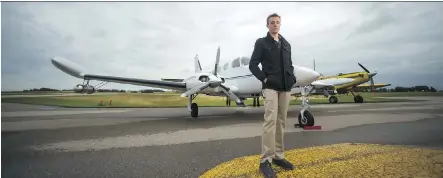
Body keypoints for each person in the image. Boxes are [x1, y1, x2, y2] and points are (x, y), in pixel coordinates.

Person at [249, 13, 297, 178]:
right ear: (267, 25)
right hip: (270, 87)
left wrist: (292, 78)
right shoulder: (261, 43)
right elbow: (253, 65)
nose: (275, 25)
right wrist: (264, 78)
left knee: (281, 122)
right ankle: (265, 160)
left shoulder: (286, 44)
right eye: (272, 23)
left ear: (280, 24)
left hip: (285, 88)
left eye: (277, 22)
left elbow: (289, 64)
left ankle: (278, 156)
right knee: (270, 121)